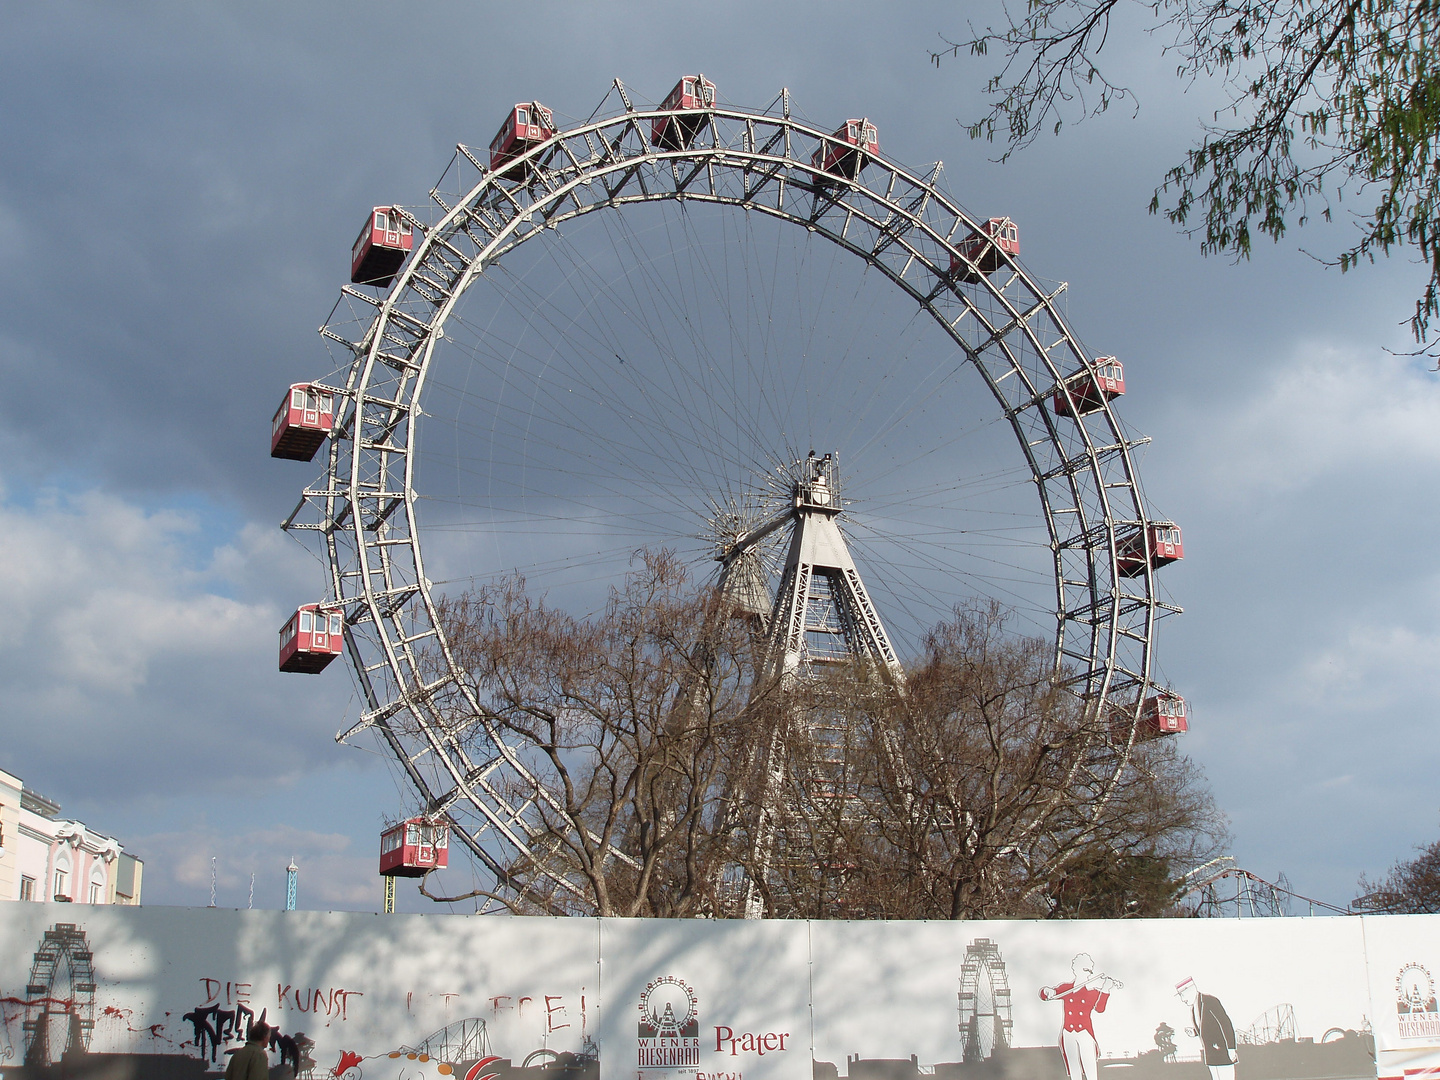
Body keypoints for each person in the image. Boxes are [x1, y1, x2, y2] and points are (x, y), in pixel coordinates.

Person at [1040, 953, 1123, 1080]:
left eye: (1089, 970)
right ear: (1075, 968)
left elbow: (1100, 1009)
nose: (1087, 973)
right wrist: (1047, 991)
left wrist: (1106, 989)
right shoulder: (1066, 988)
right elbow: (1050, 993)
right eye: (1084, 969)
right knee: (1074, 1069)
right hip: (1068, 1033)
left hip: (1084, 1033)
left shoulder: (1092, 992)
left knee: (1090, 1068)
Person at [1176, 977, 1237, 1080]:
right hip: (1210, 1054)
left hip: (1222, 1051)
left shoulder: (1209, 1001)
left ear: (1191, 990)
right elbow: (1207, 1026)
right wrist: (1195, 1032)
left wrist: (1231, 1048)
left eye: (1183, 995)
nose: (1183, 1000)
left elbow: (1225, 1023)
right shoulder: (1193, 1008)